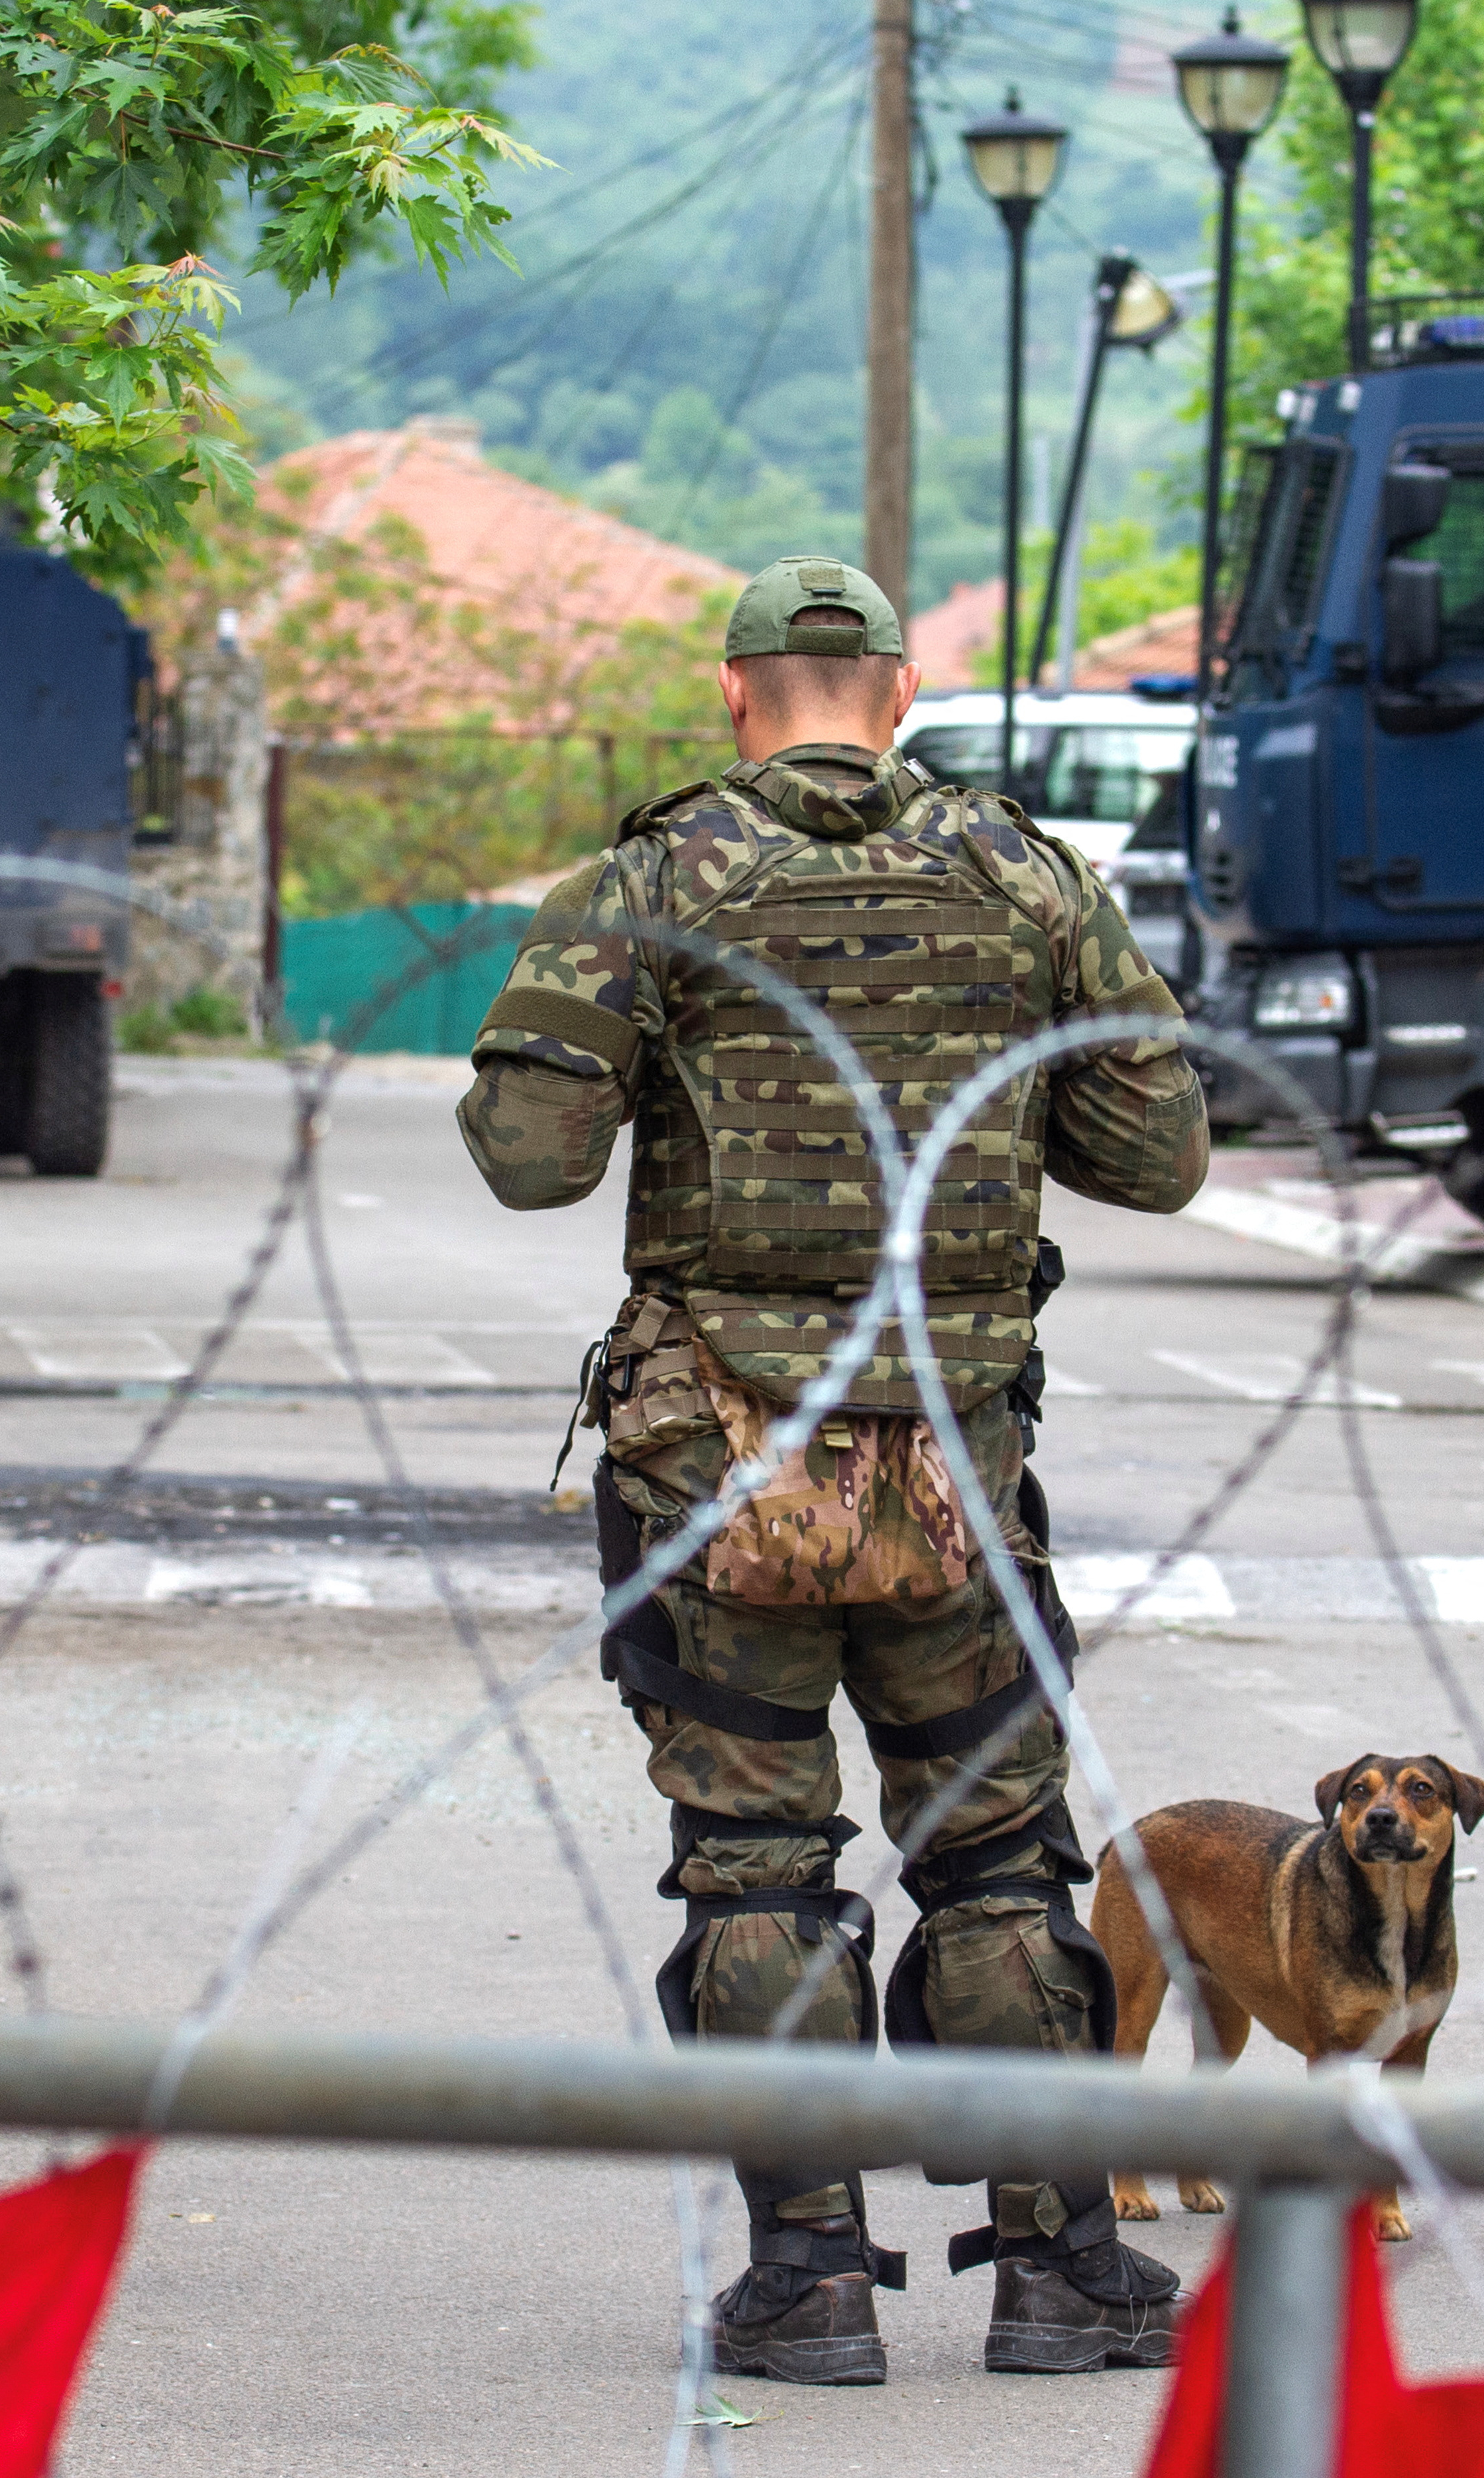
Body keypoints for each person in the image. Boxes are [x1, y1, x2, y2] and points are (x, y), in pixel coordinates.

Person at [457, 555, 1208, 2386]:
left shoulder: (648, 883)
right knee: (1002, 1855)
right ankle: (1059, 2270)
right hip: (955, 1456)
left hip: (718, 1456)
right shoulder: (1026, 875)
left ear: (735, 694)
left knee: (754, 1861)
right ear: (898, 686)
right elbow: (1163, 1149)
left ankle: (806, 2279)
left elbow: (531, 1158)